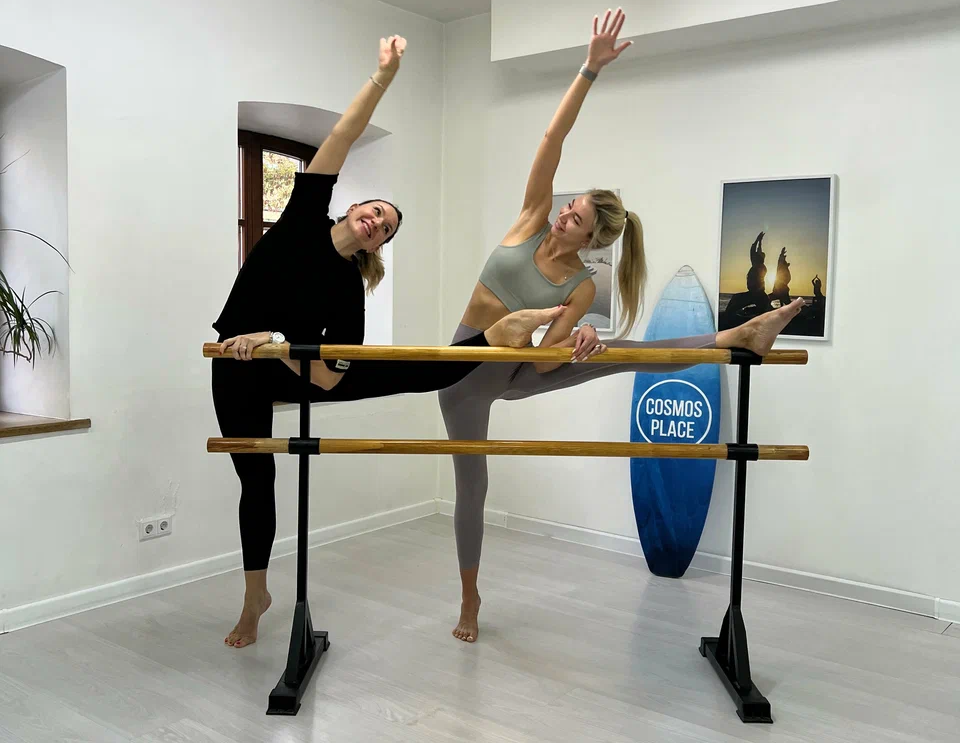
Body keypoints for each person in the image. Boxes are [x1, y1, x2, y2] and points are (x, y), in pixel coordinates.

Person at [438, 8, 805, 643]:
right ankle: (470, 597)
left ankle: (737, 336)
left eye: (575, 218)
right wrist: (588, 69)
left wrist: (578, 339)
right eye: (569, 207)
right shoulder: (529, 219)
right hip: (463, 371)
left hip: (517, 369)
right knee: (472, 485)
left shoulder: (582, 285)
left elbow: (545, 362)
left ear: (591, 241)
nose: (563, 216)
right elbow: (551, 139)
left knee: (620, 350)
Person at [211, 34, 565, 649]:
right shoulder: (301, 218)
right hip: (233, 363)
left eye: (385, 226)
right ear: (352, 208)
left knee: (411, 367)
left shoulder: (348, 290)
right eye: (374, 210)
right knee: (256, 479)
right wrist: (382, 76)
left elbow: (330, 377)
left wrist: (277, 341)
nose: (375, 221)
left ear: (377, 245)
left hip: (292, 364)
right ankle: (255, 597)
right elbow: (342, 136)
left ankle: (491, 336)